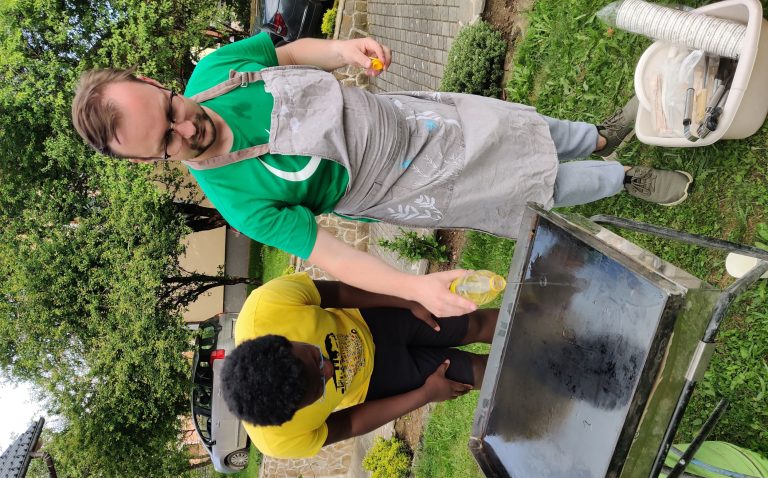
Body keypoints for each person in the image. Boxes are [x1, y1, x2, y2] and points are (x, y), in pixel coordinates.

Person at [71, 35, 692, 318]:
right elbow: (335, 256)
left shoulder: (216, 71)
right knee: (533, 188)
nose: (187, 128)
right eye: (167, 142)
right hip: (414, 188)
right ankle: (622, 177)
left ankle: (599, 138)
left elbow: (288, 54)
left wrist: (340, 51)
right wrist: (412, 288)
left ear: (155, 83)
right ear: (150, 161)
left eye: (171, 109)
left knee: (516, 128)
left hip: (413, 116)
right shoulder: (237, 201)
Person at [219, 272, 497, 459]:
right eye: (321, 385)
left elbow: (339, 292)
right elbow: (351, 424)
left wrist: (408, 299)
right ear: (294, 412)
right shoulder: (280, 440)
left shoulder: (267, 306)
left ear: (282, 340)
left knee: (472, 324)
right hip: (378, 380)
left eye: (316, 358)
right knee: (470, 372)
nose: (329, 370)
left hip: (372, 320)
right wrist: (424, 395)